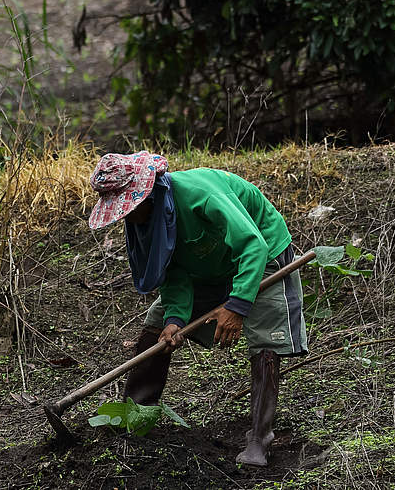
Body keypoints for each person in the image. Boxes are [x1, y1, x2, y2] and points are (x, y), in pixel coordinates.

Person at [87, 151, 308, 467]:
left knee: (265, 339)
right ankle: (136, 413)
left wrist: (238, 305)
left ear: (145, 195)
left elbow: (252, 245)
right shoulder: (148, 221)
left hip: (263, 254)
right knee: (157, 321)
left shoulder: (200, 194)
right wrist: (175, 317)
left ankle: (260, 437)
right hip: (211, 266)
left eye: (126, 209)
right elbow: (173, 269)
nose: (124, 217)